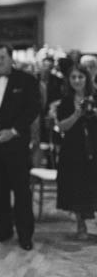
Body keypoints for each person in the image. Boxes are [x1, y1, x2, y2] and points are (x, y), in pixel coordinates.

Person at [0, 45, 40, 250]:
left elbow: (33, 109)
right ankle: (3, 230)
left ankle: (25, 235)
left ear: (12, 58)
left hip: (16, 143)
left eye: (2, 57)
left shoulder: (27, 80)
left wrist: (12, 131)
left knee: (21, 191)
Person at [55, 64, 97, 239]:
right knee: (77, 185)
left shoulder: (95, 97)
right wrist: (76, 114)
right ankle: (81, 224)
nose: (77, 80)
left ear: (86, 78)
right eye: (73, 77)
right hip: (73, 148)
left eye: (80, 77)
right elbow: (61, 126)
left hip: (94, 146)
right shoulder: (65, 100)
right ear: (69, 80)